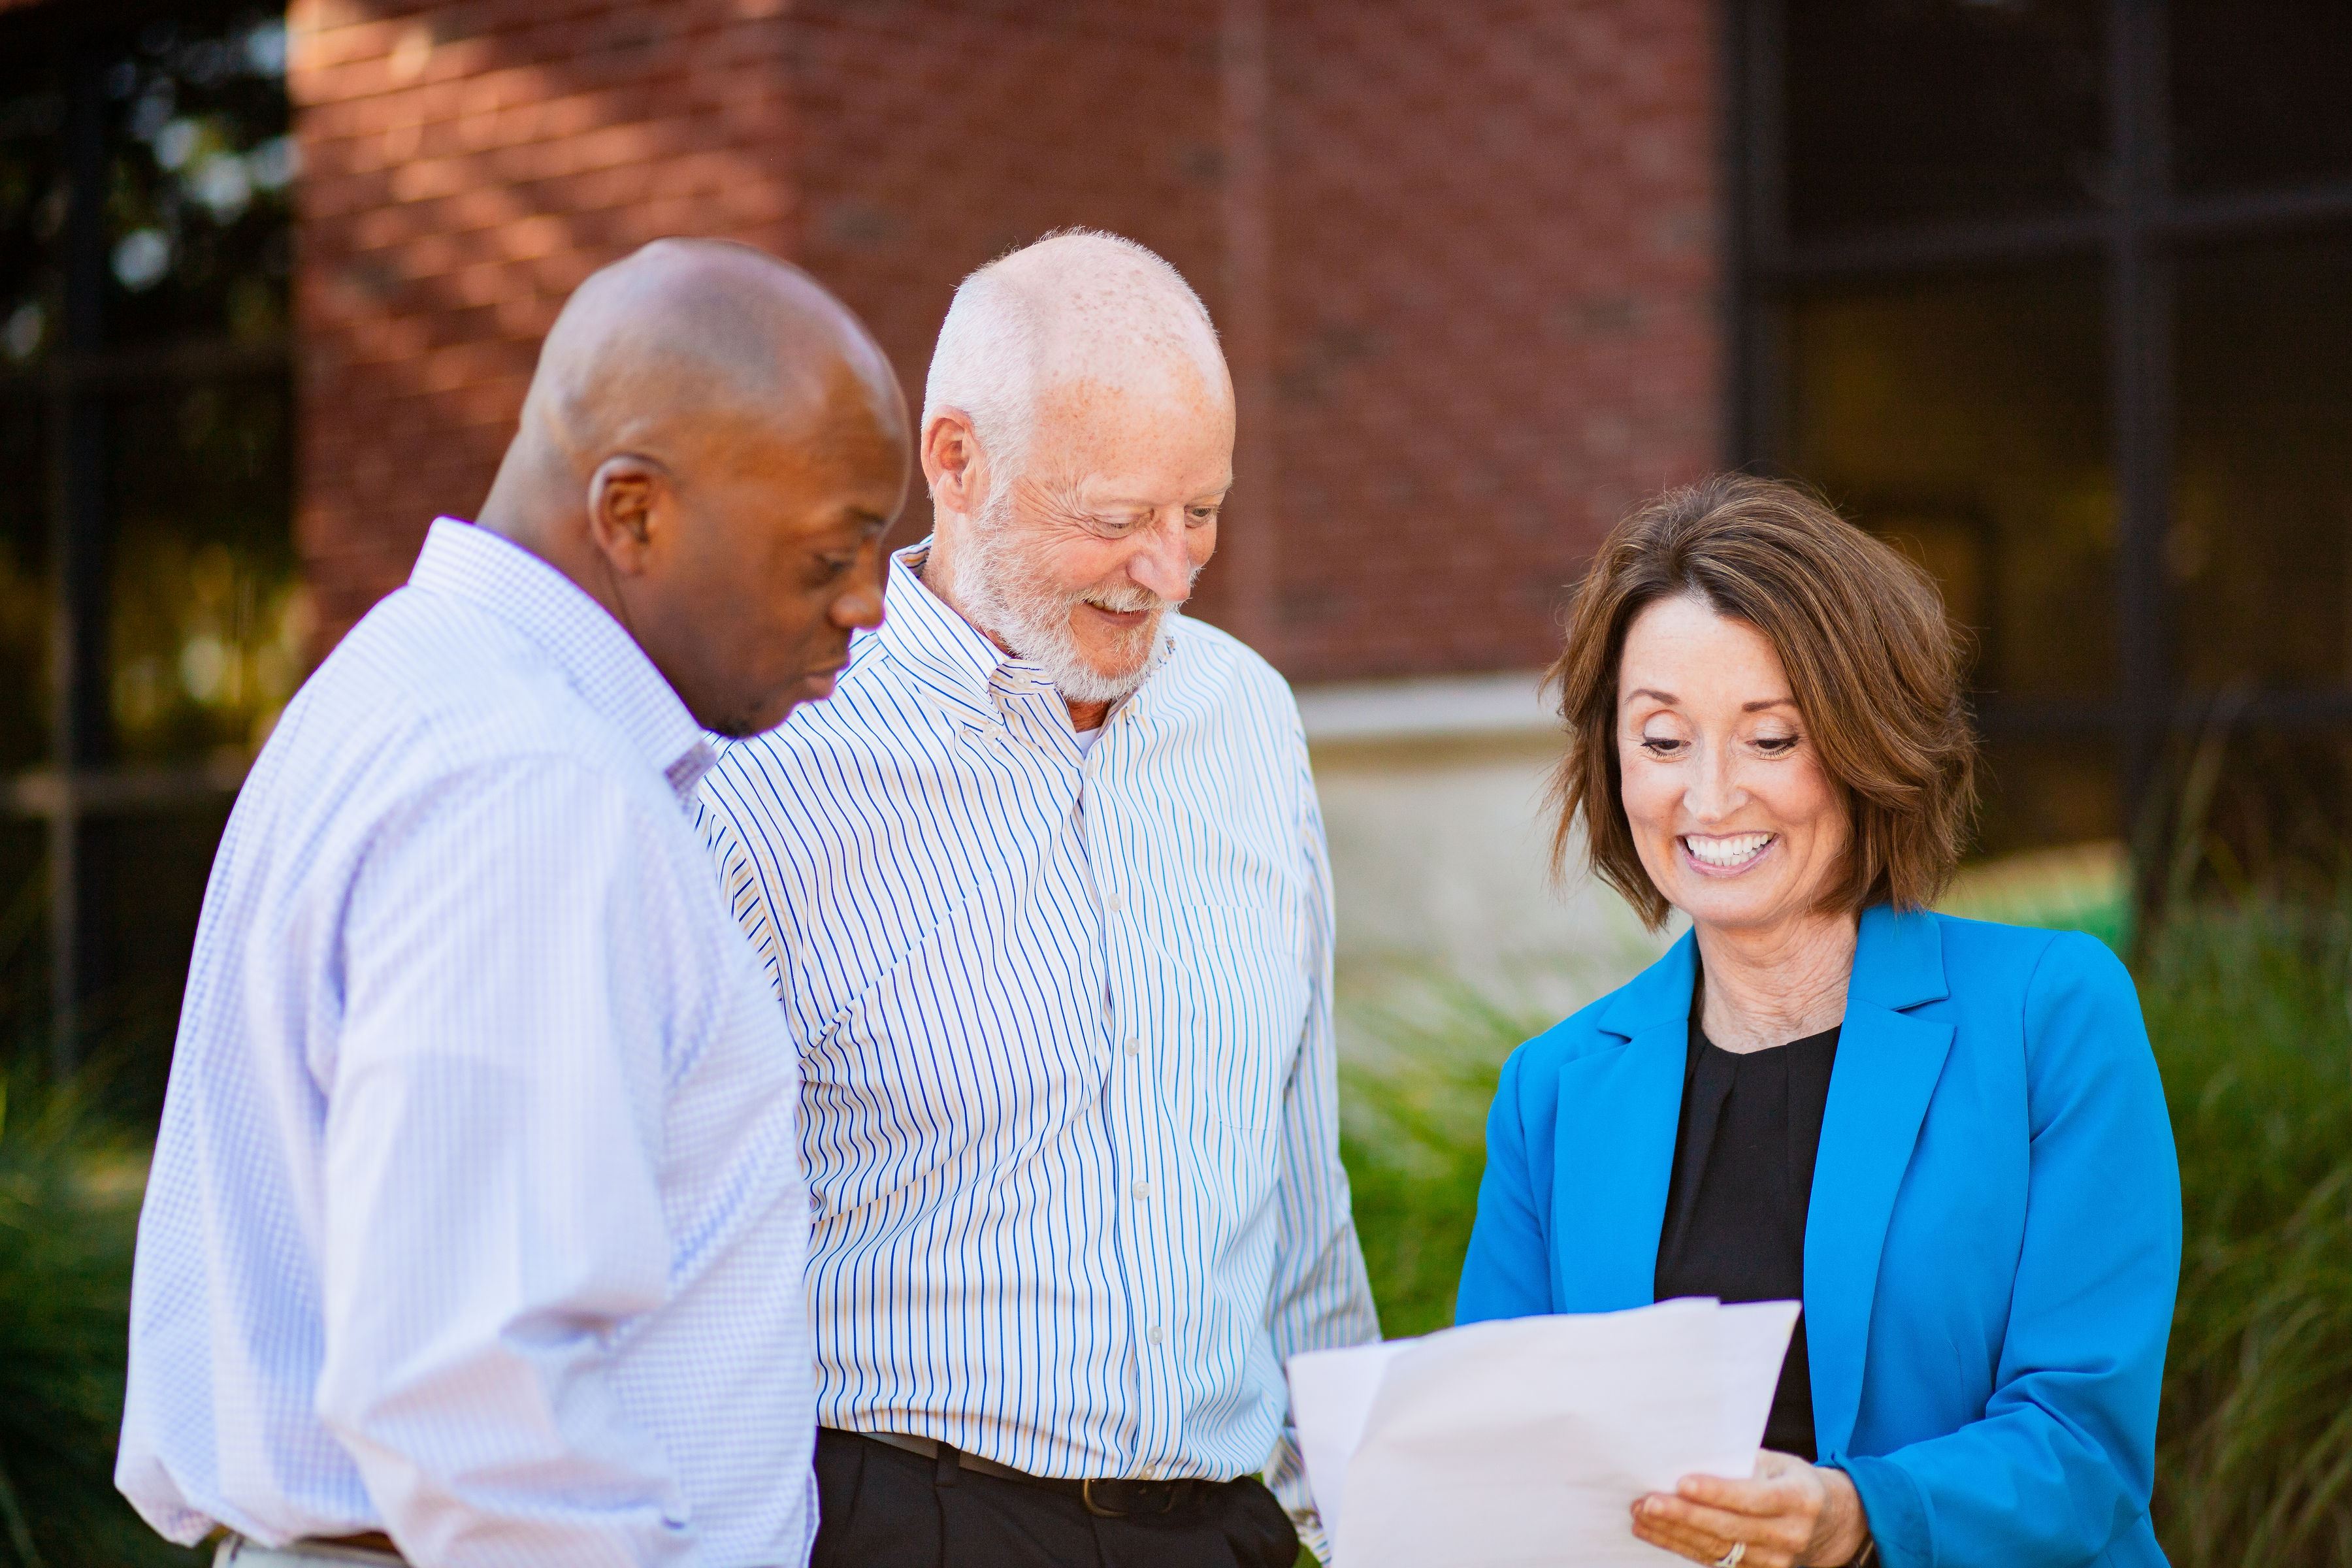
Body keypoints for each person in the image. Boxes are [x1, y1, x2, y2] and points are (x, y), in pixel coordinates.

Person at [116, 239, 911, 1567]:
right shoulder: (529, 787)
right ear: (634, 514)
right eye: (830, 553)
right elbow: (476, 1397)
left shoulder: (415, 689)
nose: (870, 603)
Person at [694, 229, 1379, 1568]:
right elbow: (677, 1246)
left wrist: (1354, 1508)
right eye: (1115, 520)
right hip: (907, 1521)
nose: (1171, 575)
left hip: (1225, 1530)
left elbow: (1296, 1181)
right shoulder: (765, 765)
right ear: (956, 463)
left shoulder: (1248, 716)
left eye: (1202, 513)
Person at [1455, 474, 2181, 1568]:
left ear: (1863, 740)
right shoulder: (1554, 1091)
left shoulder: (2050, 1015)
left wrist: (1856, 1515)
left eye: (1771, 737)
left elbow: (2085, 1448)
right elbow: (1497, 1469)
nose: (1707, 798)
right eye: (1662, 741)